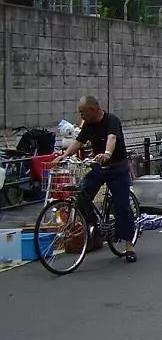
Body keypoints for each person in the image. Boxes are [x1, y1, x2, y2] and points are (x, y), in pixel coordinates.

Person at [56, 96, 138, 262]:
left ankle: (129, 246)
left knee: (122, 206)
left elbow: (112, 138)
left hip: (117, 168)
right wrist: (64, 155)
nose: (81, 116)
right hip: (99, 167)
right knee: (82, 195)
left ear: (92, 110)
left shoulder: (111, 120)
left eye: (82, 112)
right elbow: (78, 142)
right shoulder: (88, 124)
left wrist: (107, 153)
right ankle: (95, 226)